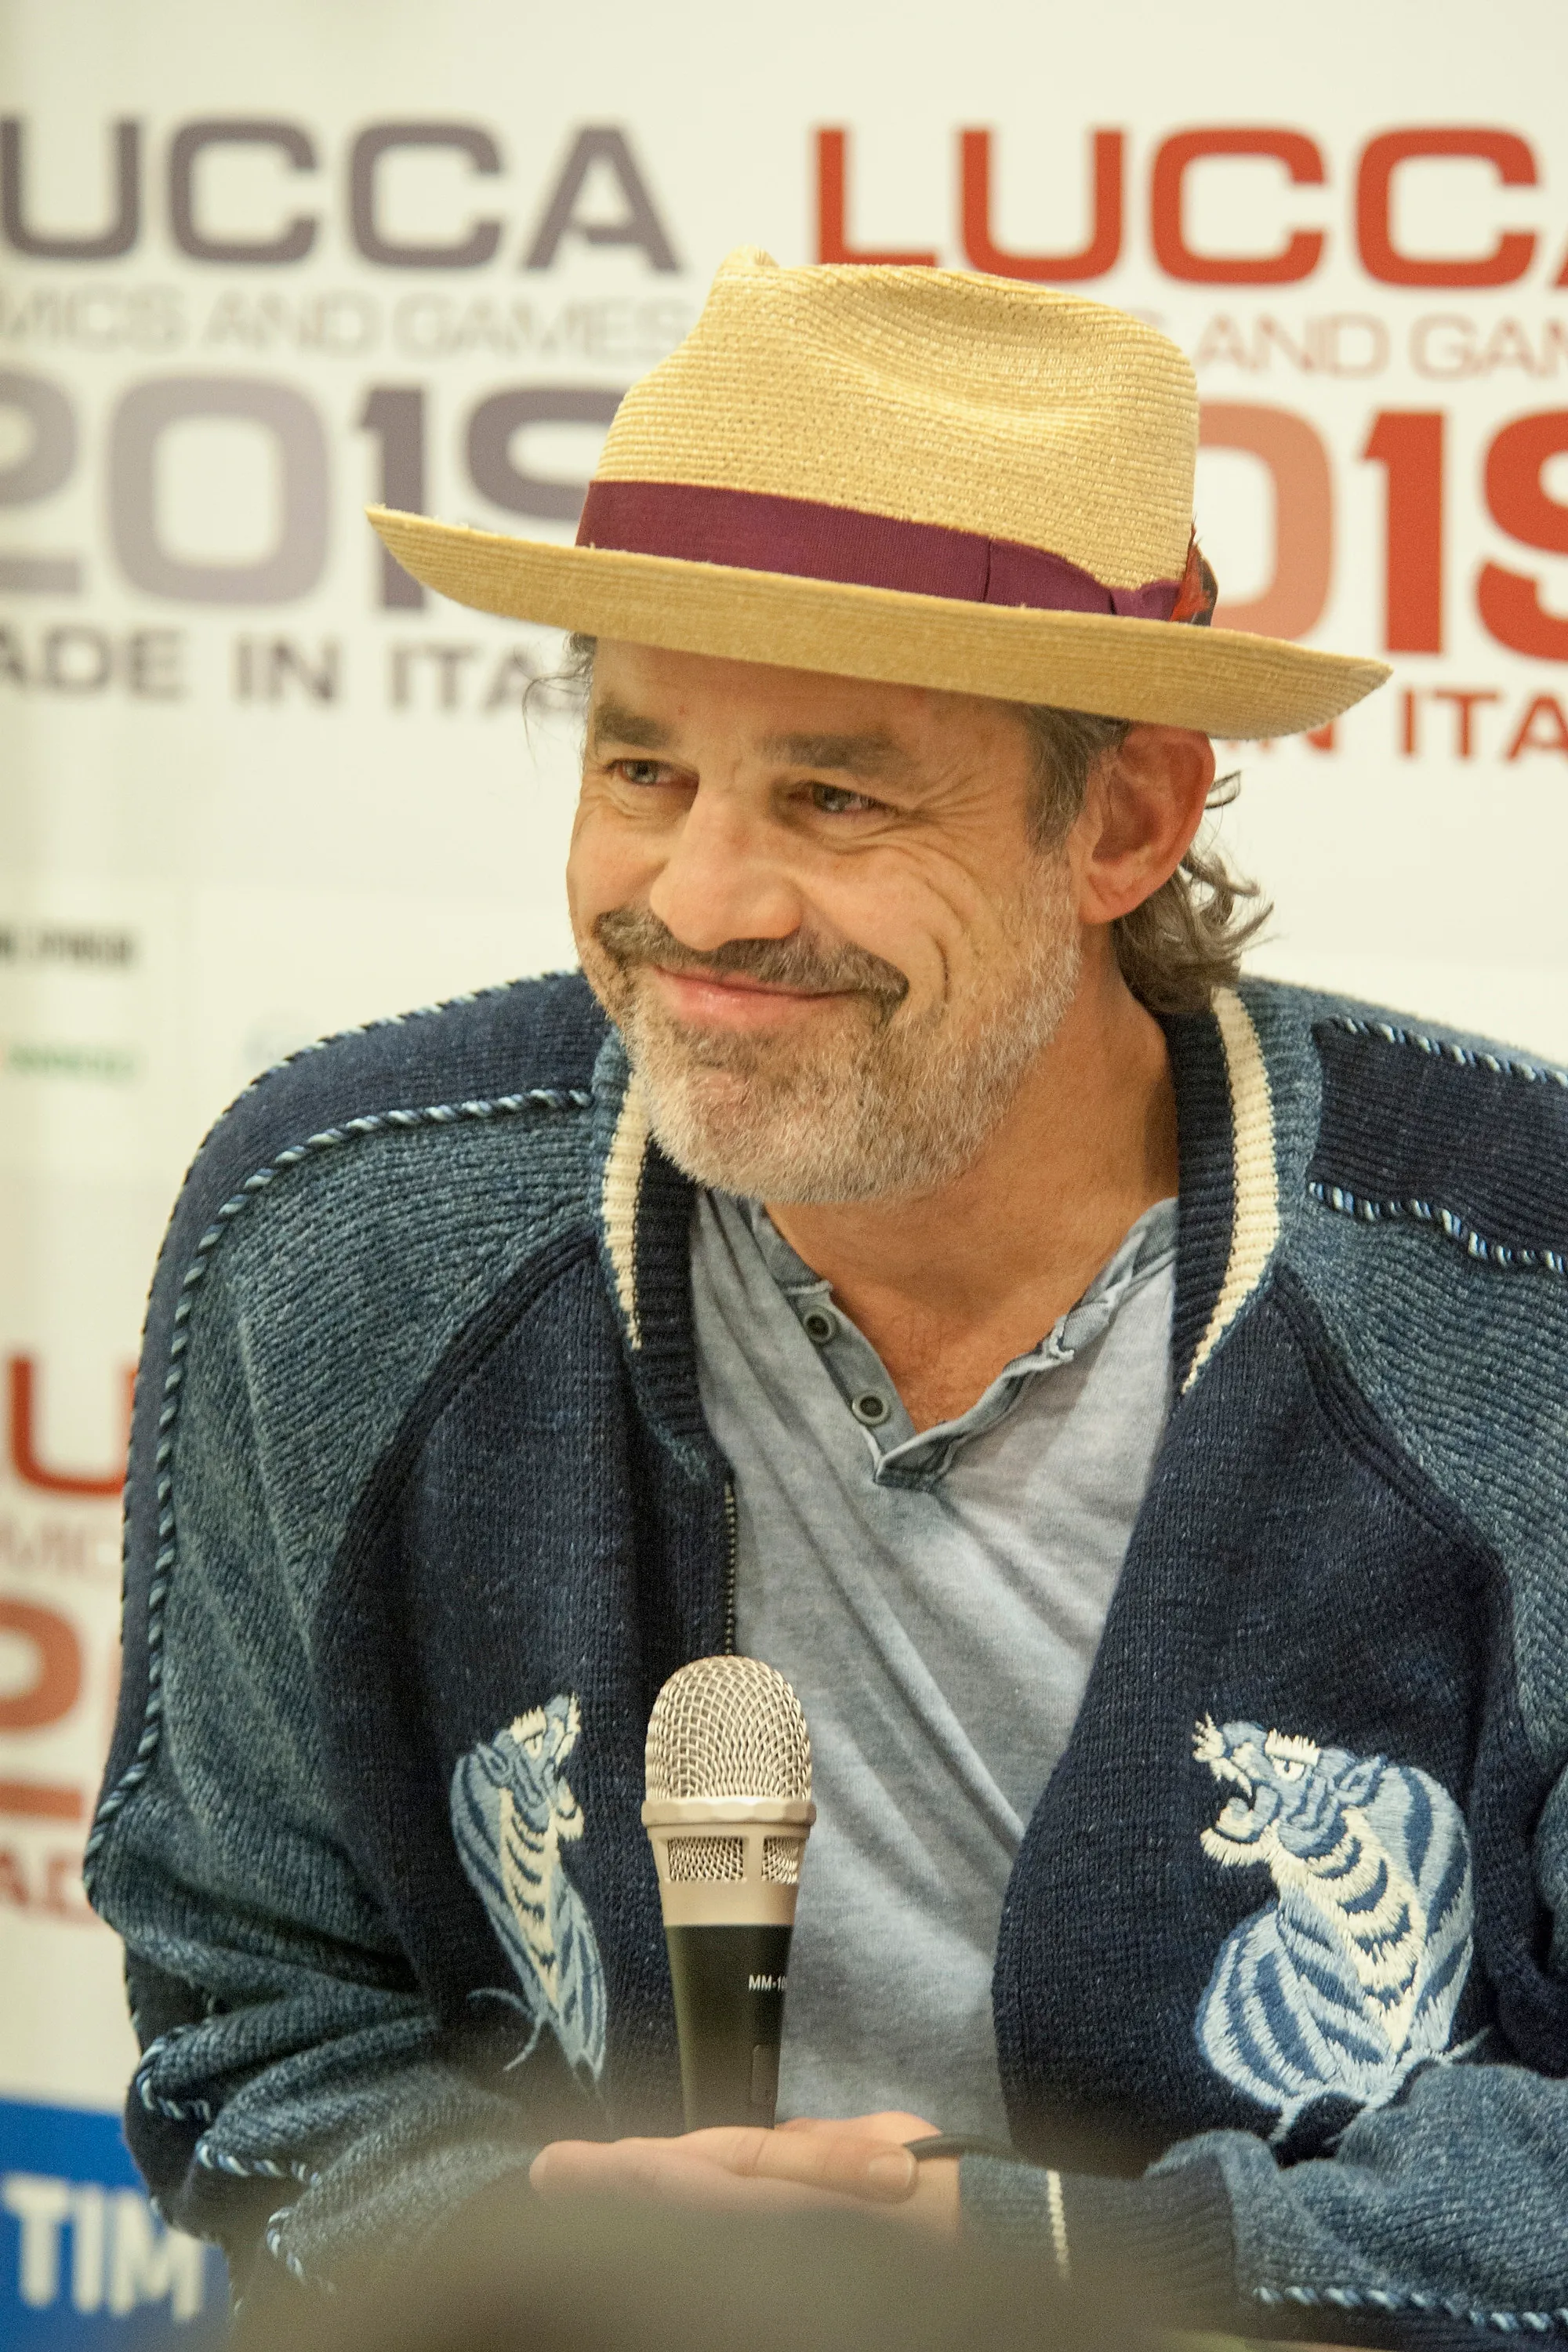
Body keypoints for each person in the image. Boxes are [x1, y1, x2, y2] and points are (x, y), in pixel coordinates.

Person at [88, 250, 1567, 2339]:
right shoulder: (335, 1226)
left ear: (1125, 814)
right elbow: (256, 2021)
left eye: (836, 798)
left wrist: (1061, 2272)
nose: (697, 901)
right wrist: (585, 2264)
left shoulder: (1526, 1274)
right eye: (639, 771)